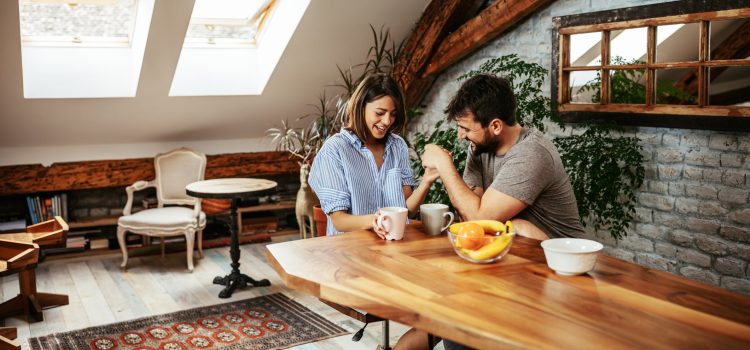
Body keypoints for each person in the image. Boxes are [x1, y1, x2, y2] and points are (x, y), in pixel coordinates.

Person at [395, 73, 585, 350]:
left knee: (459, 318)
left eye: (466, 128)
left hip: (558, 271)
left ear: (495, 125)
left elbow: (479, 216)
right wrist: (481, 212)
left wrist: (444, 165)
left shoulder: (532, 154)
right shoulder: (481, 146)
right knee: (442, 311)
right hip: (509, 264)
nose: (460, 135)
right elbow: (469, 216)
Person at [308, 73, 438, 237]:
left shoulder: (398, 146)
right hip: (349, 254)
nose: (387, 121)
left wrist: (427, 180)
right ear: (360, 107)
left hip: (391, 249)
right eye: (380, 112)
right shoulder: (335, 149)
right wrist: (375, 221)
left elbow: (405, 211)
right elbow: (339, 220)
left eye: (393, 114)